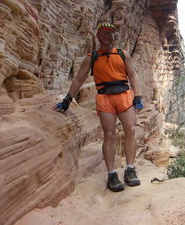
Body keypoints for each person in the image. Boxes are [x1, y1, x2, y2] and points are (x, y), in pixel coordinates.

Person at [53, 22, 143, 192]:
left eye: (110, 33)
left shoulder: (123, 54)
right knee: (109, 135)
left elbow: (132, 75)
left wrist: (137, 96)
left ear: (114, 36)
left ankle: (130, 169)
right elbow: (79, 79)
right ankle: (112, 174)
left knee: (130, 130)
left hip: (124, 95)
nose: (107, 35)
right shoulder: (92, 57)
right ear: (98, 36)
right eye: (103, 33)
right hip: (105, 97)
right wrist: (67, 99)